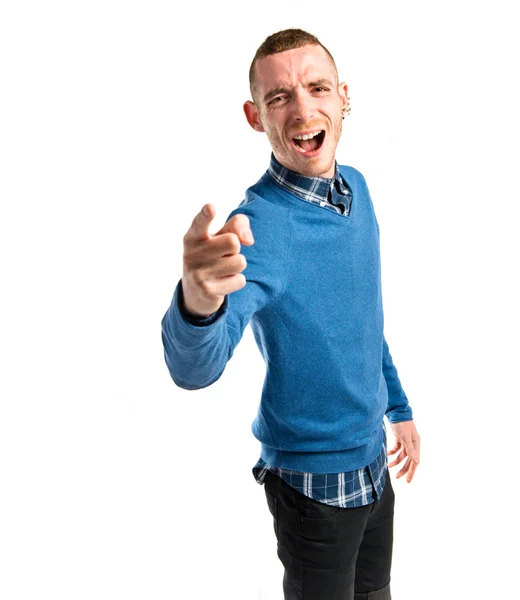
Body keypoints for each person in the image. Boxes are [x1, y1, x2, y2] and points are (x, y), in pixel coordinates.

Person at [161, 28, 421, 600]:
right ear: (257, 117)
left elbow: (365, 321)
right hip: (313, 488)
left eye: (317, 87)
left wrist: (398, 407)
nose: (303, 108)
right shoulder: (257, 229)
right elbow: (194, 369)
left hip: (375, 465)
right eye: (280, 97)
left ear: (343, 97)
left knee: (377, 593)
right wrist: (197, 302)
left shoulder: (358, 190)